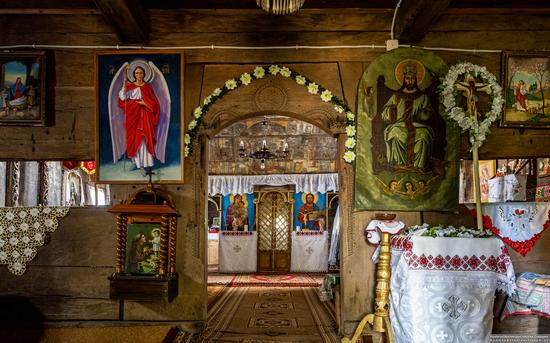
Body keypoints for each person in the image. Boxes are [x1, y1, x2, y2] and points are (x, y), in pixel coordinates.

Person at [381, 62, 434, 170]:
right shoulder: (396, 96)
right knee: (394, 134)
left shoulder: (422, 97)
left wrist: (425, 113)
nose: (410, 80)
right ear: (404, 79)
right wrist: (392, 110)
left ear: (416, 80)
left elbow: (429, 114)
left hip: (417, 125)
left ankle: (419, 167)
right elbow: (384, 113)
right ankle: (399, 165)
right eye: (408, 78)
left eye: (412, 78)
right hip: (399, 125)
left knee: (424, 135)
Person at [118, 65, 161, 169]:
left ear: (144, 74)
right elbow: (123, 98)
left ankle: (147, 163)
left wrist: (145, 103)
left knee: (145, 138)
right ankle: (137, 163)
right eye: (137, 73)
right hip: (133, 116)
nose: (139, 75)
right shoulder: (129, 86)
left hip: (146, 117)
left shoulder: (147, 87)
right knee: (134, 138)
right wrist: (124, 86)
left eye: (141, 73)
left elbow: (155, 104)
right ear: (134, 74)